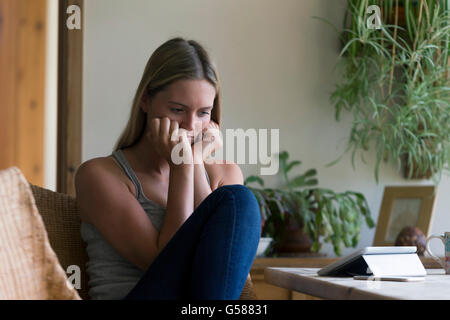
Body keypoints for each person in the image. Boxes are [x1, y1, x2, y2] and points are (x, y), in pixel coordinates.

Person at [75, 37, 261, 300]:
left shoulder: (225, 175)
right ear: (145, 101)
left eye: (203, 113)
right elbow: (166, 263)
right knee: (235, 199)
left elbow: (216, 262)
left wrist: (193, 162)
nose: (190, 126)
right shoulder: (99, 176)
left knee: (238, 200)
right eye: (177, 109)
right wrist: (182, 166)